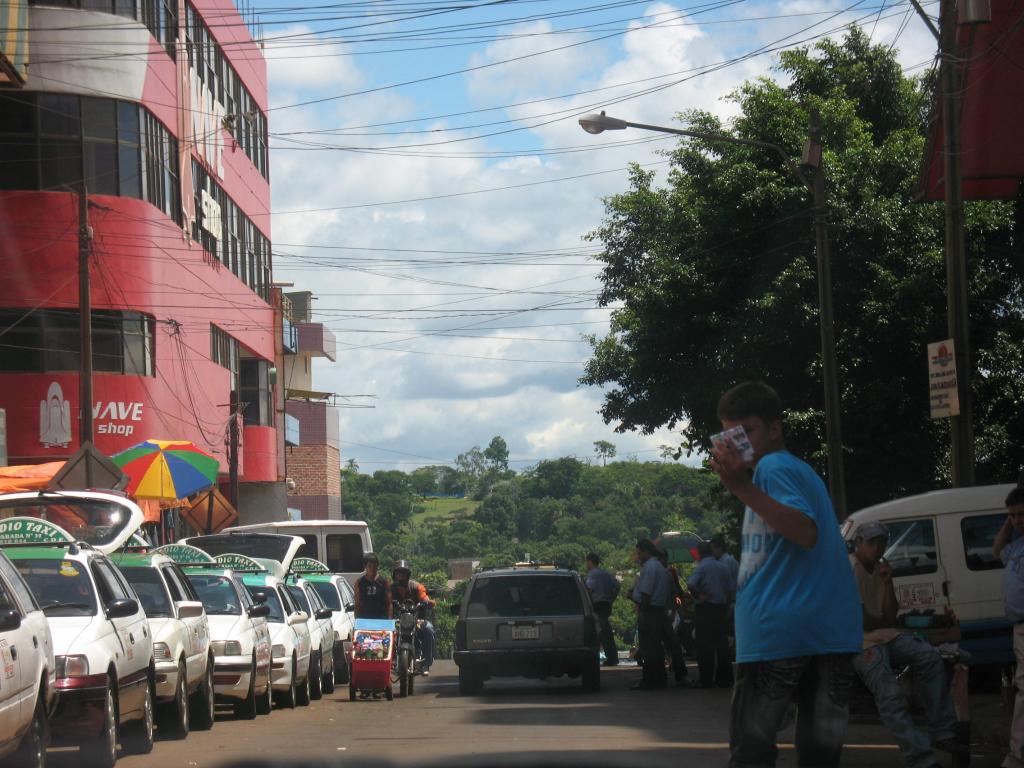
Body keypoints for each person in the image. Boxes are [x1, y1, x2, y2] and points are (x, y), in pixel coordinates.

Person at [708, 381, 862, 768]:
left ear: (775, 429)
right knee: (820, 756)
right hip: (828, 634)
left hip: (777, 633)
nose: (738, 443)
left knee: (751, 751)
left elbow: (805, 531)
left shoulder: (772, 469)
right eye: (731, 435)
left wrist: (739, 486)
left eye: (747, 432)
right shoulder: (798, 470)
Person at [850, 520, 965, 768]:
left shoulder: (881, 569)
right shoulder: (850, 568)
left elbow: (890, 615)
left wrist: (889, 582)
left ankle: (941, 732)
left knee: (931, 658)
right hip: (861, 643)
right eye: (872, 542)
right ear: (858, 543)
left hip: (888, 635)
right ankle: (921, 758)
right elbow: (862, 621)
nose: (878, 547)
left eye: (881, 542)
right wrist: (880, 620)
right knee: (891, 696)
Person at [994, 486, 1024, 768]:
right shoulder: (1016, 546)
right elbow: (996, 549)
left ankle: (1018, 755)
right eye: (1012, 516)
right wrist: (1009, 521)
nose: (1017, 520)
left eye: (1021, 515)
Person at [687, 541, 735, 688]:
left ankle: (706, 679)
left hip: (706, 609)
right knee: (721, 645)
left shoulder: (702, 567)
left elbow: (691, 584)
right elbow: (730, 589)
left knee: (704, 646)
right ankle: (724, 678)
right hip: (720, 609)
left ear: (700, 553)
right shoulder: (723, 567)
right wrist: (726, 606)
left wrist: (699, 596)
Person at [631, 538, 670, 690]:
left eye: (639, 553)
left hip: (650, 610)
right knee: (656, 647)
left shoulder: (649, 567)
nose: (638, 556)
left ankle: (650, 680)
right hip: (658, 610)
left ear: (646, 551)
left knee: (648, 648)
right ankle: (659, 679)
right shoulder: (659, 566)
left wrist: (642, 610)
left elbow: (646, 594)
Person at [390, 559, 436, 675]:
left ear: (408, 575)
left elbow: (424, 597)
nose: (401, 576)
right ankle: (388, 661)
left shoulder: (416, 587)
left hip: (416, 621)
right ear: (394, 575)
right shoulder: (389, 590)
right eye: (398, 573)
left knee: (429, 629)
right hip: (397, 622)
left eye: (403, 573)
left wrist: (428, 602)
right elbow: (383, 602)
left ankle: (425, 664)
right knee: (384, 634)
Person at [585, 552, 620, 667]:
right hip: (606, 604)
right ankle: (612, 656)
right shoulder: (606, 574)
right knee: (606, 631)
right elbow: (617, 585)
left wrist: (587, 603)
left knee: (598, 632)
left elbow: (589, 590)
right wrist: (612, 598)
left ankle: (604, 657)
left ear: (590, 562)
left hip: (597, 605)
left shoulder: (592, 574)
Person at [660, 551, 688, 686]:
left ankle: (675, 668)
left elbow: (676, 592)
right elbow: (677, 592)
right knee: (673, 642)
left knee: (672, 642)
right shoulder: (668, 573)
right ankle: (677, 669)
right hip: (670, 611)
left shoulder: (668, 573)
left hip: (668, 612)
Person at [354, 552, 392, 620]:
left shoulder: (384, 582)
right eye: (370, 566)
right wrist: (357, 621)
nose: (373, 569)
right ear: (365, 566)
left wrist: (389, 621)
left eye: (375, 566)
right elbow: (357, 605)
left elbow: (389, 604)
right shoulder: (359, 583)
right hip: (364, 620)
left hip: (381, 620)